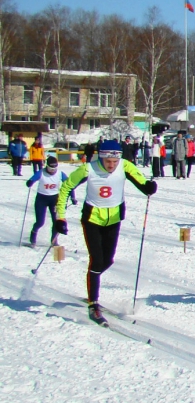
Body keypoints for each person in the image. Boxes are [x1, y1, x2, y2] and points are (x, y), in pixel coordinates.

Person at [55, 140, 157, 326]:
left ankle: (92, 280)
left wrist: (149, 188)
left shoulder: (125, 166)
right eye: (108, 161)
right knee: (97, 260)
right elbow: (66, 188)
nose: (111, 165)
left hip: (114, 219)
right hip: (92, 219)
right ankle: (93, 303)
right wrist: (60, 217)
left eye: (114, 162)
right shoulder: (88, 169)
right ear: (101, 157)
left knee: (108, 260)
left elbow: (142, 183)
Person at [25, 157, 77, 247]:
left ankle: (54, 240)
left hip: (54, 199)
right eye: (50, 168)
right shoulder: (41, 172)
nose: (52, 171)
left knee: (56, 221)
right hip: (41, 199)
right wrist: (30, 182)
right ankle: (33, 235)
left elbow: (69, 185)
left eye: (54, 169)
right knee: (40, 222)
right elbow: (32, 179)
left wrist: (73, 197)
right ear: (47, 166)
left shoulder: (60, 174)